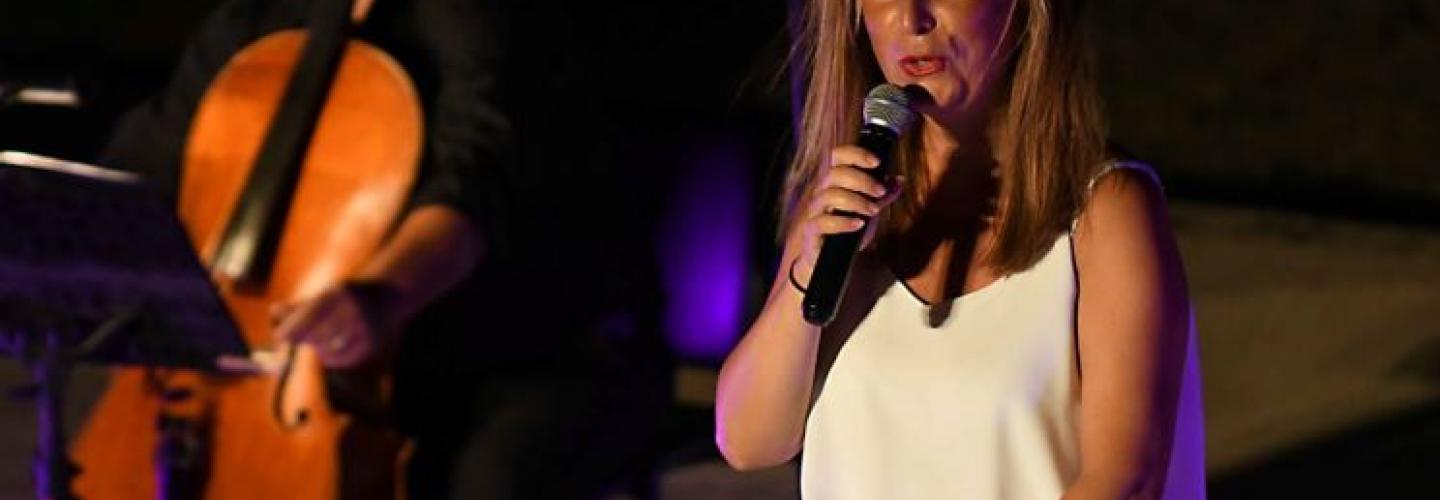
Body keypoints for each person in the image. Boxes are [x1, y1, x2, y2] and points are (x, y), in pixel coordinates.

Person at [96, 0, 667, 498]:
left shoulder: (479, 14)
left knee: (485, 480)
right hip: (313, 364)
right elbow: (150, 160)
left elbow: (477, 180)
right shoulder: (257, 17)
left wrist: (384, 296)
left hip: (520, 345)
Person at [715, 0, 1206, 498]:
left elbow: (1123, 481)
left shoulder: (1107, 209)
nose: (912, 19)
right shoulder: (841, 205)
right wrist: (807, 270)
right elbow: (748, 443)